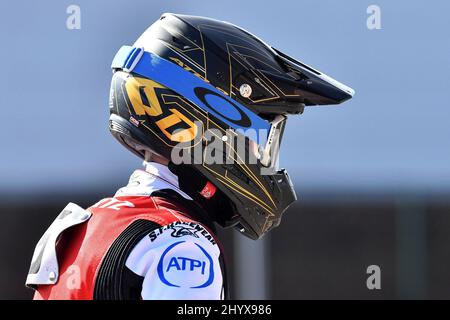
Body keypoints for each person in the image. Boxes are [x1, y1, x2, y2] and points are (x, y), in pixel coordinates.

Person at [25, 13, 354, 300]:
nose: (260, 153)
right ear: (204, 123)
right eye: (258, 134)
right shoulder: (181, 244)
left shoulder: (83, 226)